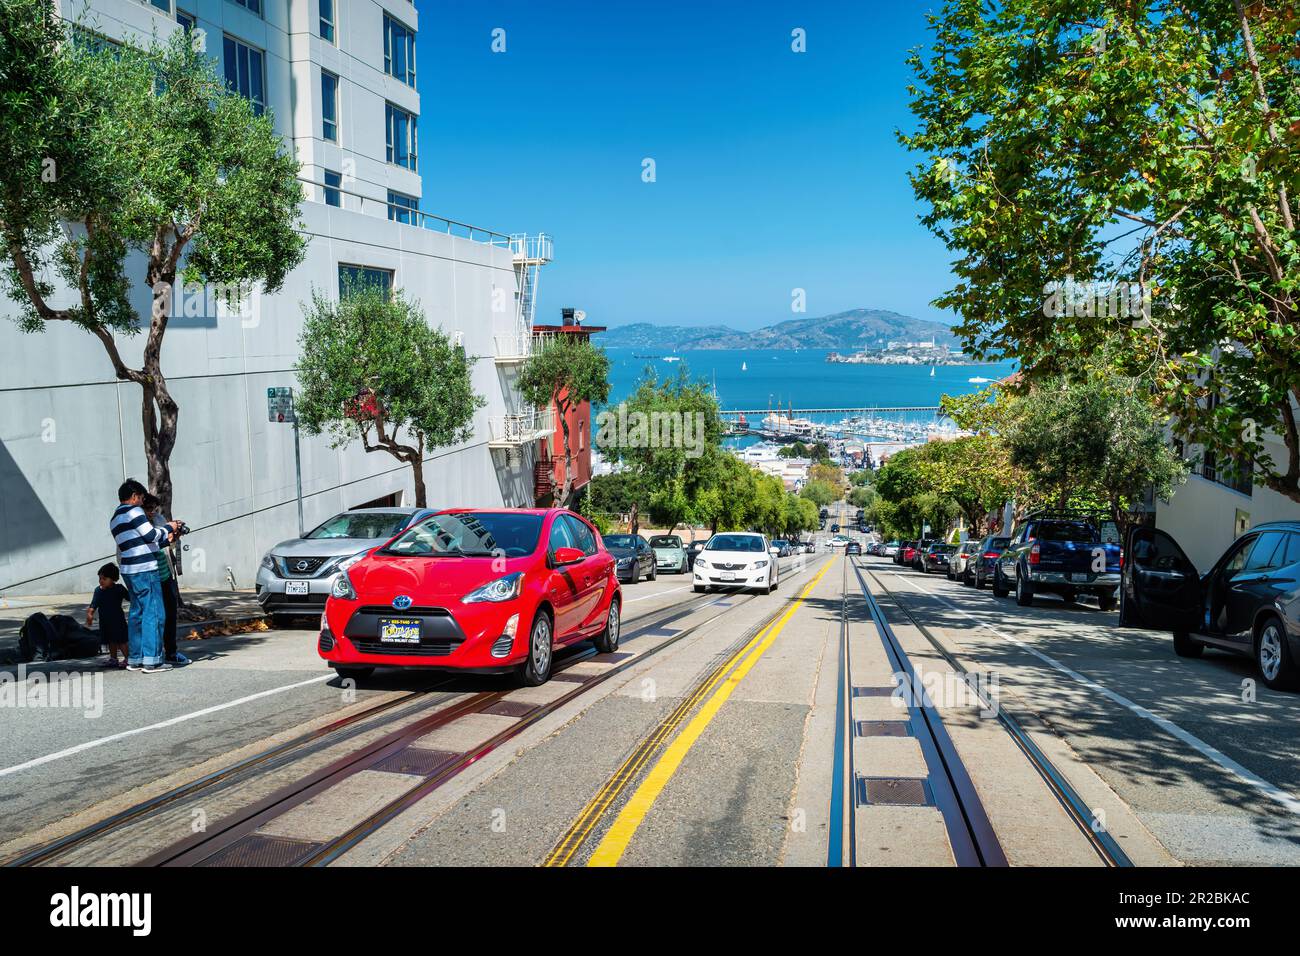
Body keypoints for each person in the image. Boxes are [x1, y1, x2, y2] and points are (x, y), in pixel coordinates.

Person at [110, 479, 182, 673]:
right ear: (134, 496)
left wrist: (167, 541)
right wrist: (170, 527)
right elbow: (150, 535)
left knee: (137, 613)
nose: (143, 502)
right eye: (141, 498)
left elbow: (144, 543)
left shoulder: (115, 517)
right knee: (154, 612)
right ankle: (153, 660)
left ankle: (135, 658)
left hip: (128, 570)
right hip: (145, 569)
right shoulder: (134, 511)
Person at [142, 493, 190, 666]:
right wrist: (165, 535)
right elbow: (150, 544)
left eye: (155, 509)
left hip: (164, 573)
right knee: (152, 616)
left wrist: (173, 536)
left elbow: (164, 541)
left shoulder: (159, 519)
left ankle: (171, 651)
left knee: (170, 613)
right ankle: (150, 655)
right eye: (149, 509)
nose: (152, 513)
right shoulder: (137, 524)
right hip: (148, 575)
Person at [87, 562, 129, 669]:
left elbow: (130, 598)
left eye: (104, 579)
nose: (101, 581)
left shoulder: (119, 589)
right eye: (100, 578)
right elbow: (94, 604)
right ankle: (113, 658)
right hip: (105, 621)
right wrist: (90, 614)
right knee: (111, 640)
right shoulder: (98, 591)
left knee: (121, 640)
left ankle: (128, 659)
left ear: (113, 579)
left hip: (118, 620)